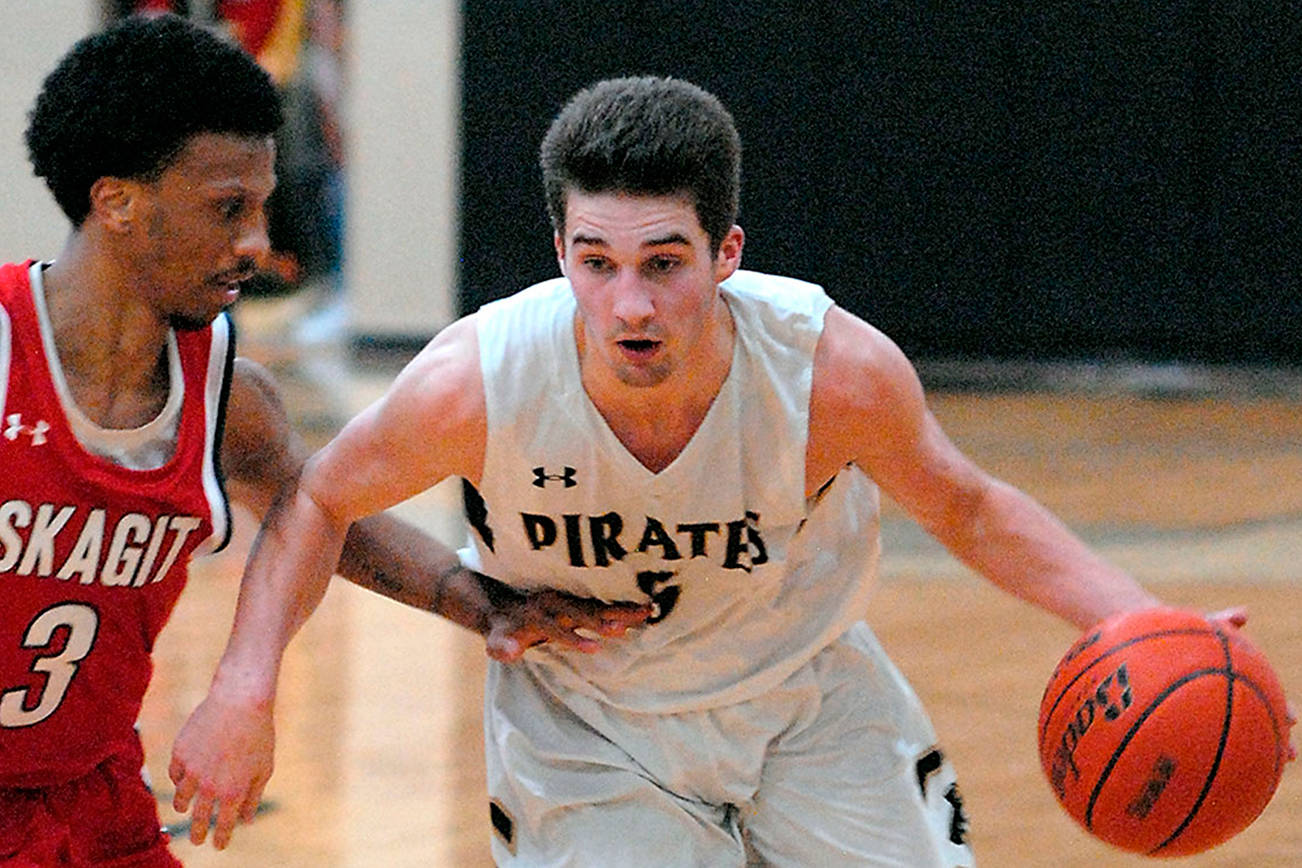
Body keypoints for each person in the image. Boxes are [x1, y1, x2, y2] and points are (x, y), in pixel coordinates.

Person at [171, 75, 1294, 865]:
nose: (630, 304)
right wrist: (242, 689)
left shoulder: (831, 372)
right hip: (588, 726)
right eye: (597, 263)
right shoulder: (479, 379)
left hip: (807, 698)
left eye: (664, 263)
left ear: (727, 254)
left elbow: (970, 506)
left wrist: (1146, 623)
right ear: (560, 253)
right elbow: (319, 497)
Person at [0, 17, 646, 866]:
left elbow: (323, 508)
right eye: (227, 209)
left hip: (91, 798)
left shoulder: (227, 395)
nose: (257, 244)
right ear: (116, 201)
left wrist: (490, 604)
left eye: (261, 207)